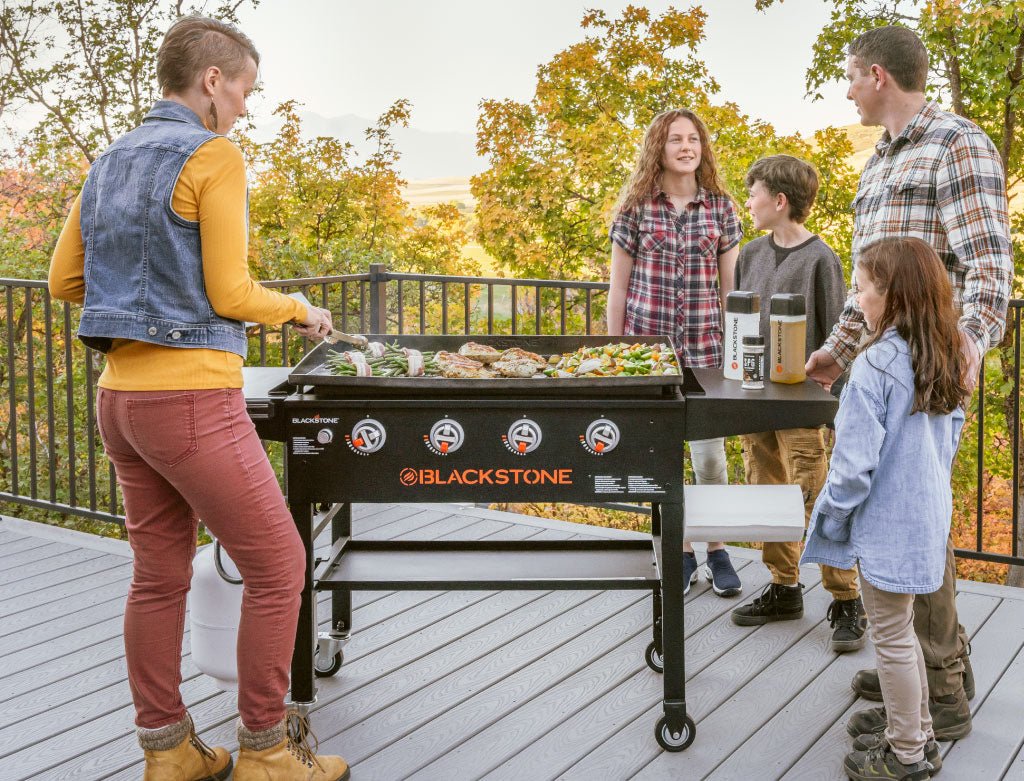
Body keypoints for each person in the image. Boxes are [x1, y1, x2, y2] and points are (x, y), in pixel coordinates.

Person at [48, 16, 349, 781]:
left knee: (158, 573)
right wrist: (300, 311)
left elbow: (63, 284)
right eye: (244, 88)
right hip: (190, 400)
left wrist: (138, 305)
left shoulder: (108, 160)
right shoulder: (214, 154)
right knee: (281, 562)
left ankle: (170, 749)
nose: (245, 106)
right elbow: (230, 290)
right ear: (212, 81)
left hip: (120, 401)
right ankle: (266, 750)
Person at [805, 25, 1012, 740]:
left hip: (929, 368)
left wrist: (971, 345)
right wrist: (835, 351)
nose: (848, 90)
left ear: (877, 75)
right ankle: (927, 663)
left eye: (851, 77)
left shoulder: (957, 143)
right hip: (882, 363)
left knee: (912, 516)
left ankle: (942, 692)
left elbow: (988, 265)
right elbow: (873, 283)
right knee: (905, 518)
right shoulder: (880, 163)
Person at [802, 237, 968, 781]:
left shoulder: (876, 366)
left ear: (890, 295)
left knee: (892, 637)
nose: (857, 299)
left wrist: (832, 516)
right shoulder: (951, 352)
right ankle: (917, 731)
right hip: (928, 516)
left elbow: (852, 469)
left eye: (862, 287)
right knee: (906, 634)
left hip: (886, 525)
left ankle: (906, 755)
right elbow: (951, 439)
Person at [728, 155, 865, 652]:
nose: (748, 201)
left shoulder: (821, 259)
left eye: (754, 192)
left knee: (818, 495)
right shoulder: (749, 255)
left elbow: (839, 332)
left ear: (780, 201)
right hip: (754, 398)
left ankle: (846, 598)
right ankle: (784, 588)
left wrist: (833, 407)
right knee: (765, 489)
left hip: (804, 406)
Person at [608, 107, 743, 598]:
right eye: (674, 140)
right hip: (651, 352)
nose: (687, 147)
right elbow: (617, 291)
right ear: (657, 150)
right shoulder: (636, 209)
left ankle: (717, 549)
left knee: (711, 459)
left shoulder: (722, 209)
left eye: (693, 139)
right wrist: (620, 355)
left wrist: (737, 353)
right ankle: (679, 551)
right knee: (661, 458)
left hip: (708, 350)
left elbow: (733, 293)